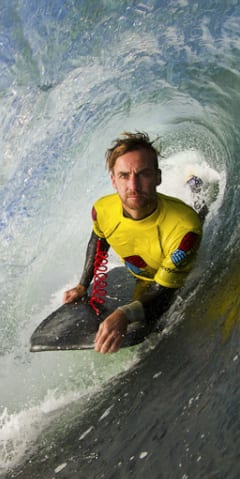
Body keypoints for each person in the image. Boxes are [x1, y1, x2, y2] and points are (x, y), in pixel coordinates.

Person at [63, 132, 204, 353]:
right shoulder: (102, 210)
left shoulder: (184, 229)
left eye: (143, 174)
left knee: (199, 213)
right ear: (113, 180)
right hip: (143, 276)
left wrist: (124, 314)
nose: (133, 185)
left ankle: (198, 191)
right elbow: (99, 239)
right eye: (123, 176)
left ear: (157, 177)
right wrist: (83, 284)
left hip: (171, 278)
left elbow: (164, 295)